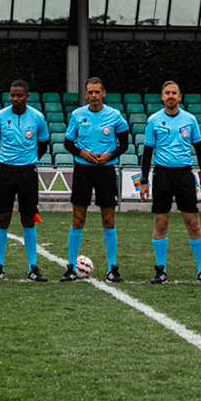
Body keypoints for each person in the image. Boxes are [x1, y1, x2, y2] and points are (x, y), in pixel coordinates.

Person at [137, 80, 201, 284]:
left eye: (174, 93)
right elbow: (147, 153)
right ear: (162, 97)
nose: (171, 96)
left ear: (180, 97)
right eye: (167, 93)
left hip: (184, 176)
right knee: (161, 222)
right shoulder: (153, 120)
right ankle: (160, 270)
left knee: (193, 223)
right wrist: (144, 181)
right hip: (162, 175)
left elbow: (199, 150)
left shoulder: (190, 120)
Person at [61, 75, 131, 282]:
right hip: (83, 170)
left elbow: (125, 143)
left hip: (106, 171)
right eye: (90, 92)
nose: (93, 96)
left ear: (104, 93)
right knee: (77, 219)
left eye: (97, 92)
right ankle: (71, 267)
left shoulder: (115, 116)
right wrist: (82, 153)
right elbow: (68, 143)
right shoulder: (77, 115)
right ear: (85, 94)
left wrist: (110, 155)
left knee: (108, 220)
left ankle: (112, 268)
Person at [0, 79, 51, 281]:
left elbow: (43, 145)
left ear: (27, 96)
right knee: (2, 218)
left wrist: (27, 161)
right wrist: (9, 160)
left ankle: (33, 267)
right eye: (12, 95)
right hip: (5, 171)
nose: (15, 99)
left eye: (19, 95)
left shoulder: (37, 118)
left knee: (28, 218)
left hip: (27, 172)